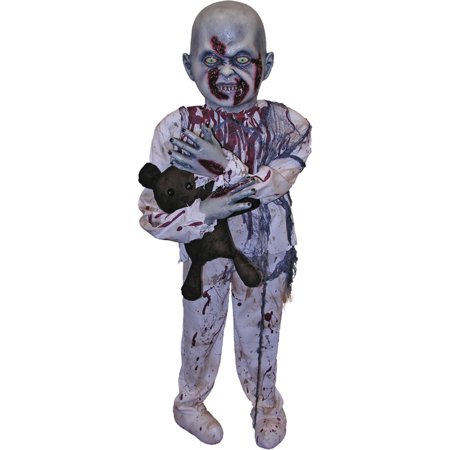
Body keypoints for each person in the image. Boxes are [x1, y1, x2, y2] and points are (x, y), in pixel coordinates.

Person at [138, 2, 311, 448]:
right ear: (188, 66)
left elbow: (272, 184)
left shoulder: (287, 126)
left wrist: (223, 164)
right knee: (201, 325)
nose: (227, 72)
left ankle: (265, 402)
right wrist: (204, 213)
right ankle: (190, 401)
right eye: (212, 59)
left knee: (262, 329)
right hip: (204, 256)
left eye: (242, 58)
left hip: (266, 251)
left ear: (266, 64)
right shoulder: (175, 130)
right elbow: (153, 215)